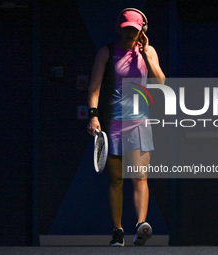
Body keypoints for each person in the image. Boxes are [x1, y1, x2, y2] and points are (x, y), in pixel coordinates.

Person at [87, 8, 165, 246]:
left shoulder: (148, 52)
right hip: (113, 124)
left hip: (140, 123)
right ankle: (118, 231)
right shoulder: (106, 52)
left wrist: (148, 56)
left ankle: (141, 226)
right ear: (120, 28)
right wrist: (93, 115)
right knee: (116, 180)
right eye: (126, 28)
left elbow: (161, 82)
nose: (130, 32)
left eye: (135, 28)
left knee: (140, 178)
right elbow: (94, 87)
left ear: (142, 29)